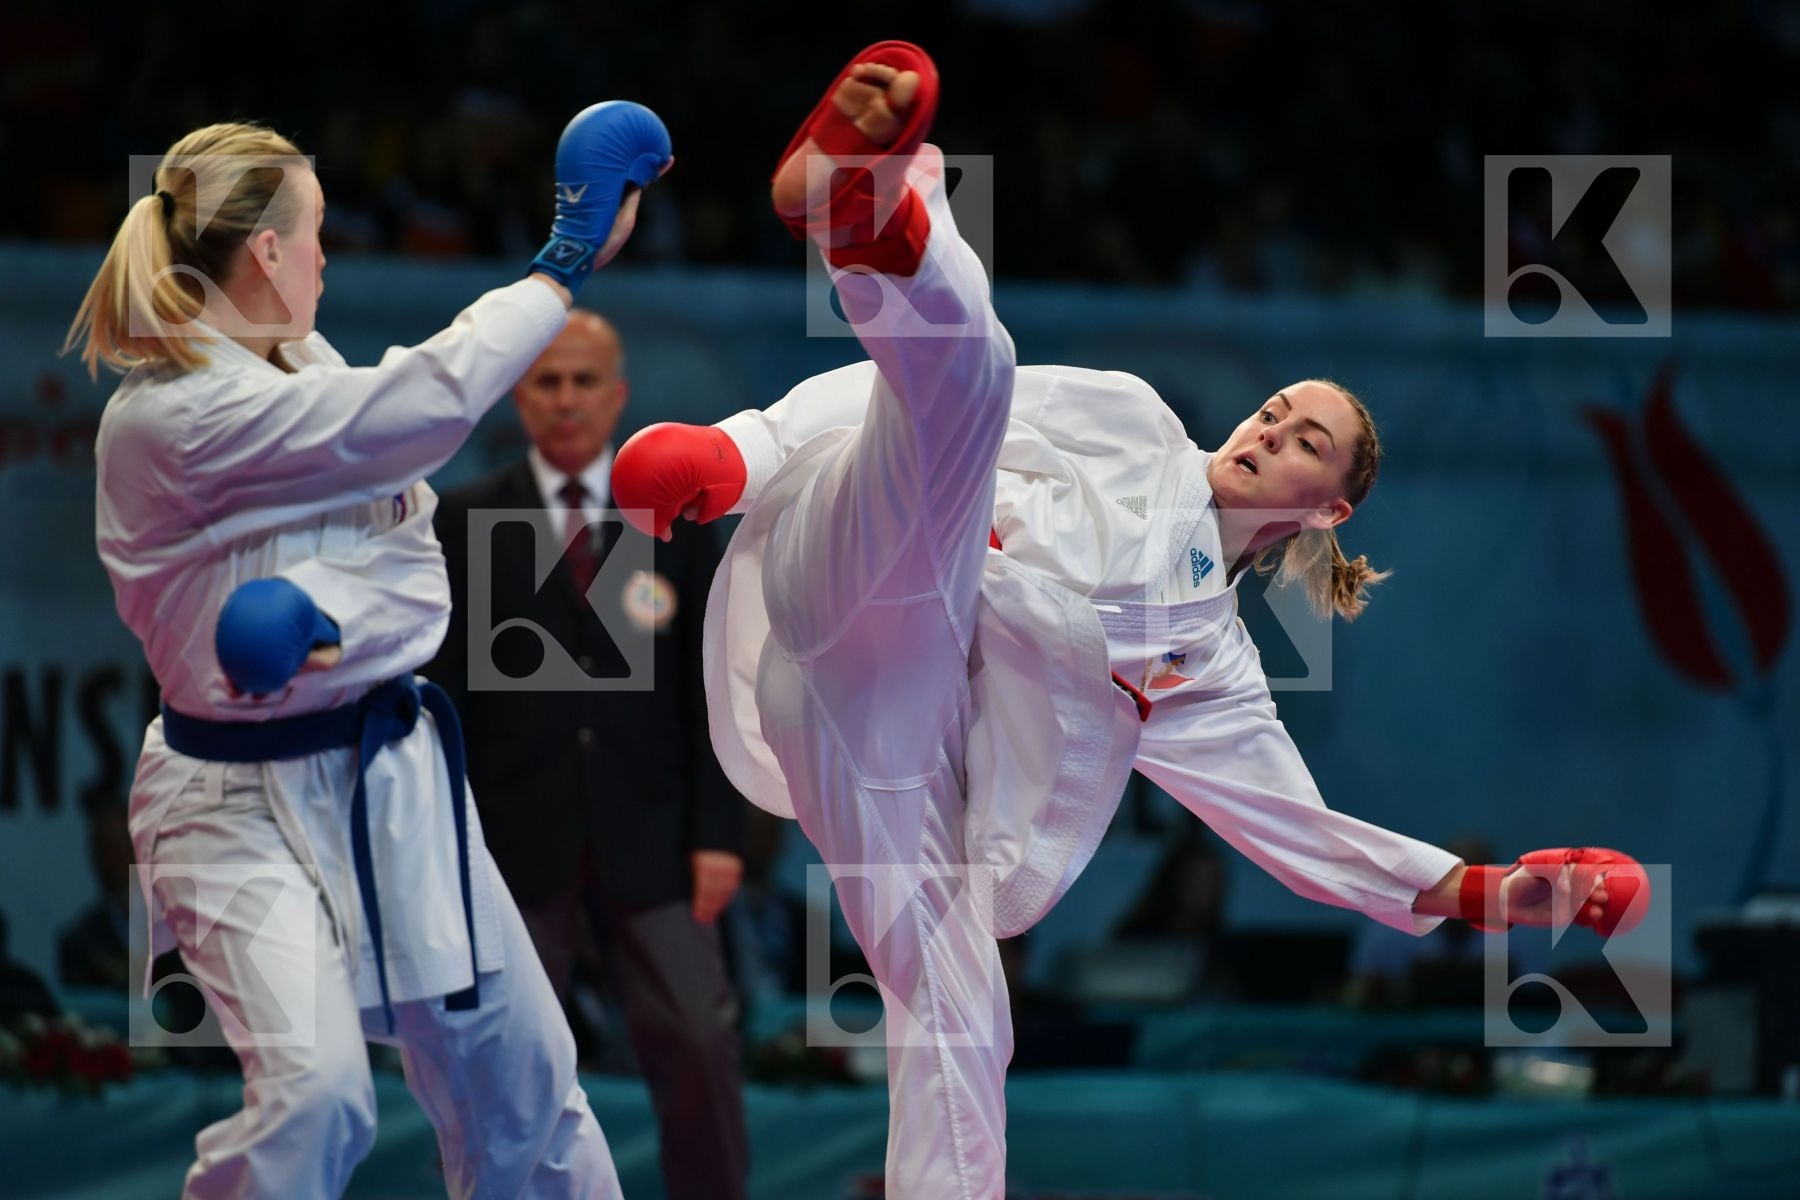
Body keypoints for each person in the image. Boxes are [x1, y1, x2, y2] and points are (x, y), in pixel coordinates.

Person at [611, 42, 1651, 1198]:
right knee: (973, 383)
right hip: (856, 558)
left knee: (963, 1018)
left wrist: (1491, 896)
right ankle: (876, 219)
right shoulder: (1133, 421)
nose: (1268, 432)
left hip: (898, 752)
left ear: (1332, 507)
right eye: (1272, 411)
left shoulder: (1206, 660)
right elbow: (878, 401)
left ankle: (885, 222)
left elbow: (1299, 838)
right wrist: (735, 452)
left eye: (1306, 441)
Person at [67, 101, 669, 1198]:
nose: (326, 260)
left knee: (528, 1090)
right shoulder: (171, 417)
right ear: (265, 250)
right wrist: (564, 260)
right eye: (318, 234)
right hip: (235, 804)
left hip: (391, 775)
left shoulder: (302, 360)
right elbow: (421, 412)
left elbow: (412, 561)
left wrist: (326, 619)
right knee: (314, 1100)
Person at [427, 309, 750, 1200]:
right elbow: (441, 698)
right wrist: (446, 846)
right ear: (519, 395)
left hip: (653, 833)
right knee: (494, 1059)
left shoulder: (672, 521)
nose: (565, 399)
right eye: (546, 381)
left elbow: (709, 689)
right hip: (508, 836)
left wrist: (719, 836)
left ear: (618, 395)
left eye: (583, 381)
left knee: (695, 1036)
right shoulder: (464, 519)